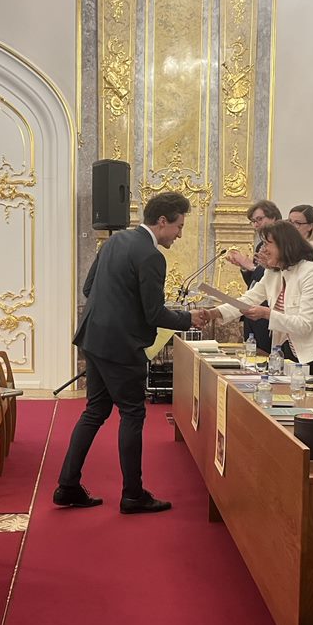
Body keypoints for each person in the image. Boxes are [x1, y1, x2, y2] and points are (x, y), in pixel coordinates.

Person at [54, 191, 208, 514]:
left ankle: (67, 485)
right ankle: (133, 494)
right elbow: (154, 314)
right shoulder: (152, 256)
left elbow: (88, 288)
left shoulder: (115, 241)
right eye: (179, 226)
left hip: (94, 338)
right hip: (121, 346)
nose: (180, 234)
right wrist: (188, 318)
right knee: (133, 414)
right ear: (162, 221)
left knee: (95, 411)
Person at [207, 221, 313, 383]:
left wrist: (267, 314)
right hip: (289, 351)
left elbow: (304, 325)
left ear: (285, 245)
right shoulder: (273, 273)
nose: (264, 250)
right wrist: (212, 313)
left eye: (268, 244)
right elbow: (248, 299)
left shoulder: (310, 273)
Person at [225, 200, 282, 354]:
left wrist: (250, 266)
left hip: (268, 312)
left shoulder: (282, 247)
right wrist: (245, 268)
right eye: (253, 221)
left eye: (259, 219)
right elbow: (255, 283)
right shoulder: (260, 246)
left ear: (274, 217)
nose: (256, 224)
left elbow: (276, 278)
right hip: (253, 310)